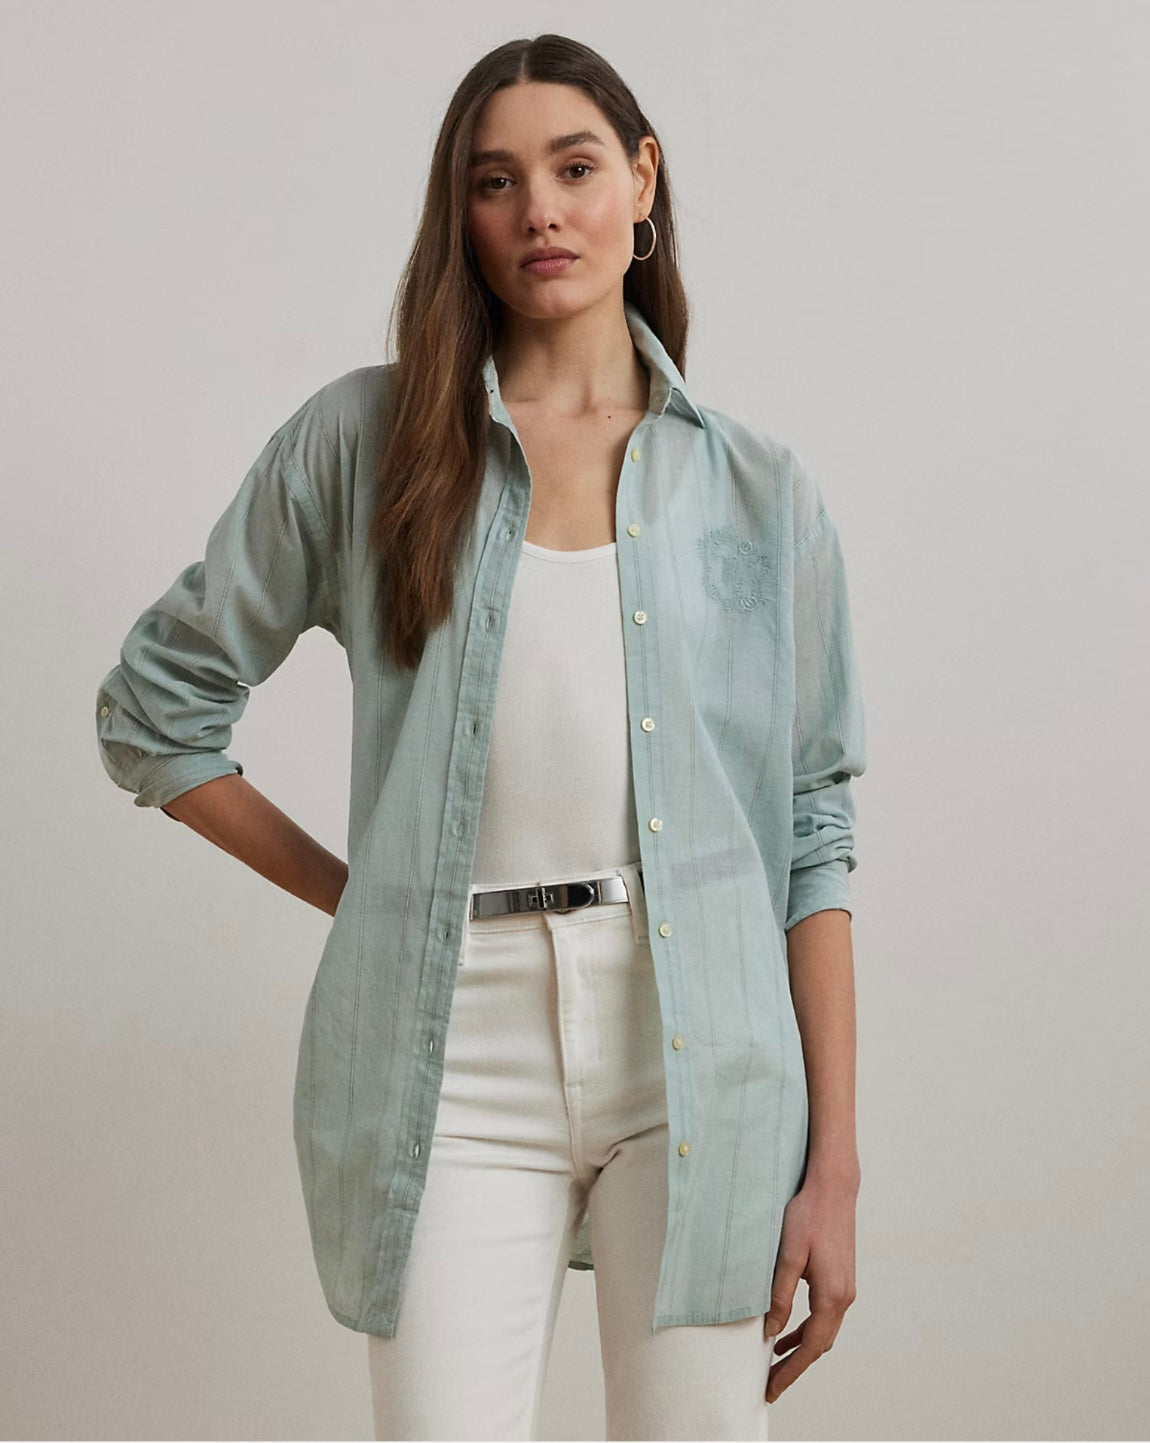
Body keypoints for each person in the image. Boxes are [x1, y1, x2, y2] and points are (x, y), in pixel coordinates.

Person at [94, 32, 866, 1443]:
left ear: (642, 181)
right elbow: (156, 710)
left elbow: (812, 833)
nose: (539, 213)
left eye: (575, 169)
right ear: (460, 213)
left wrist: (838, 1173)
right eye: (495, 181)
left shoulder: (757, 493)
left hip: (701, 1058)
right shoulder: (367, 442)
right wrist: (370, 898)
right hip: (448, 1055)